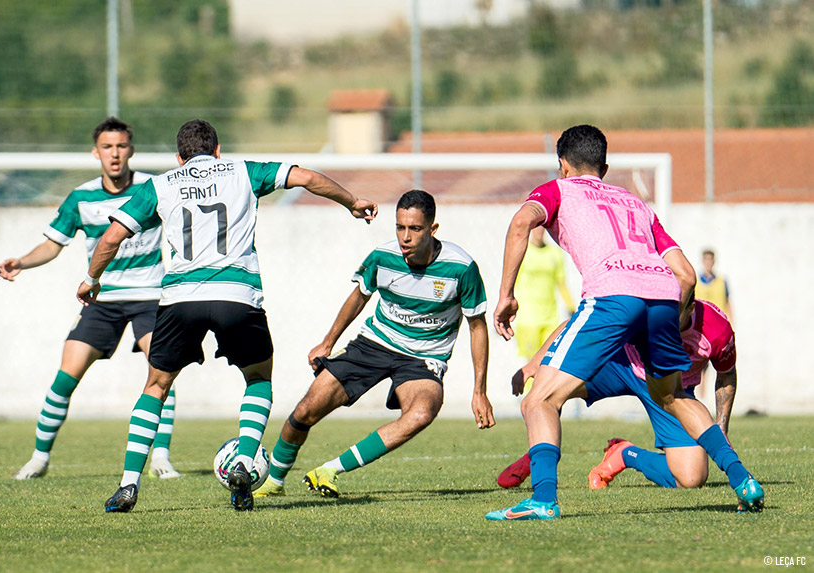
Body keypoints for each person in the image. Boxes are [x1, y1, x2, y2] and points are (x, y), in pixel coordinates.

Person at [78, 119, 377, 513]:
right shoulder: (243, 172)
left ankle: (129, 484)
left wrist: (91, 278)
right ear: (217, 150)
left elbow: (112, 236)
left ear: (179, 158)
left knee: (156, 385)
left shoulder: (161, 184)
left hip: (179, 298)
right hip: (237, 296)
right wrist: (351, 200)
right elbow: (305, 177)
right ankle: (244, 461)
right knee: (257, 378)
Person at [485, 125, 762, 521]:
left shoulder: (558, 190)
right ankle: (743, 479)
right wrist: (676, 315)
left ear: (562, 165)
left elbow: (519, 224)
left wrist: (507, 295)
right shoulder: (634, 202)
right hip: (663, 300)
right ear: (605, 166)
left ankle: (543, 499)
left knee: (539, 399)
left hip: (612, 298)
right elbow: (684, 274)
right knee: (676, 396)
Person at [253, 190, 495, 499]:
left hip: (424, 359)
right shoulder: (383, 256)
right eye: (400, 227)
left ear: (433, 230)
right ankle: (273, 481)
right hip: (374, 344)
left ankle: (330, 470)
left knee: (422, 413)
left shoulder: (461, 268)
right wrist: (327, 342)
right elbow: (359, 296)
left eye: (415, 229)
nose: (405, 237)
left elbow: (477, 327)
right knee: (306, 410)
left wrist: (479, 391)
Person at [0, 117, 181, 481]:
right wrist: (22, 261)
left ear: (131, 150)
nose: (115, 154)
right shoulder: (81, 197)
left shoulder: (154, 187)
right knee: (66, 376)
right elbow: (53, 244)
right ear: (96, 152)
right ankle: (39, 457)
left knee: (160, 369)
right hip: (102, 300)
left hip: (150, 297)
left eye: (122, 146)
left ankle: (161, 457)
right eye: (108, 147)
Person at [497, 292, 739, 494]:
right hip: (620, 364)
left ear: (691, 307)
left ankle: (625, 454)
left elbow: (726, 375)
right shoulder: (644, 303)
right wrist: (535, 363)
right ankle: (537, 458)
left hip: (672, 391)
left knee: (692, 478)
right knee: (544, 395)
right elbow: (579, 323)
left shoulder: (716, 330)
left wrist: (721, 427)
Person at [513, 226, 575, 374]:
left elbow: (561, 282)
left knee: (548, 362)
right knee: (531, 364)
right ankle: (528, 395)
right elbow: (512, 281)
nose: (539, 232)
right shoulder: (524, 251)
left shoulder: (555, 253)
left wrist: (571, 306)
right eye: (536, 229)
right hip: (528, 318)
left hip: (550, 317)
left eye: (542, 229)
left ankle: (542, 396)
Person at [696, 249, 733, 323]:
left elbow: (728, 302)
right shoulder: (695, 281)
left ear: (714, 261)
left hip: (719, 323)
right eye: (706, 259)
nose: (708, 262)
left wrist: (731, 322)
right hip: (701, 324)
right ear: (702, 261)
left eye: (710, 259)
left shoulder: (722, 281)